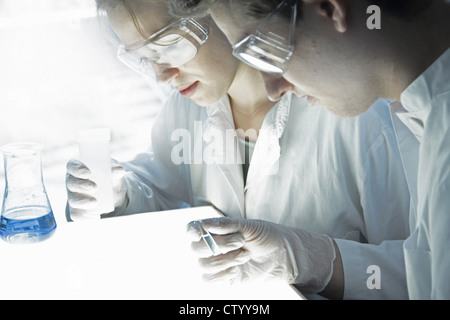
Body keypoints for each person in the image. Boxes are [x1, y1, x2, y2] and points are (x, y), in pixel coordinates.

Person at [66, 0, 412, 299]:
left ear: (224, 13)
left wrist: (313, 260)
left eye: (170, 45)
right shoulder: (188, 106)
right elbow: (164, 193)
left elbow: (419, 275)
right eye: (143, 57)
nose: (161, 75)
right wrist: (121, 193)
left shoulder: (357, 113)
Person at [169, 0, 450, 299]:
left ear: (328, 8)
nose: (273, 88)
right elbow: (427, 271)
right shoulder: (428, 113)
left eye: (263, 50)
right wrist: (306, 259)